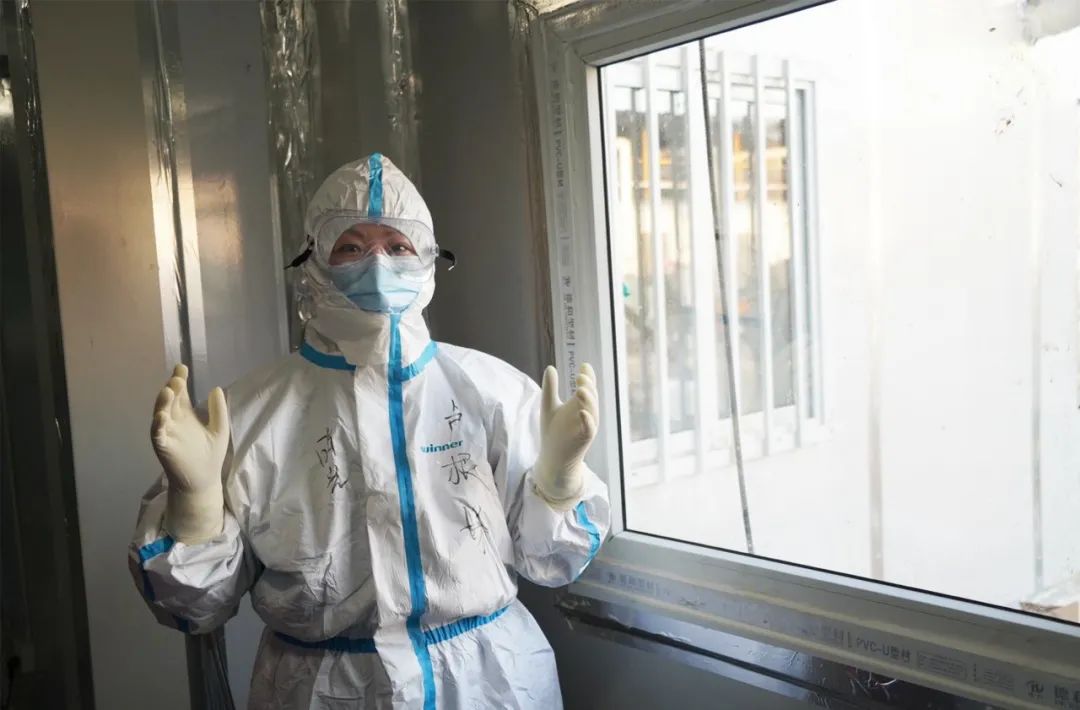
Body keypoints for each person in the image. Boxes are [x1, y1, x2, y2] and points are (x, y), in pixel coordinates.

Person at [129, 153, 610, 709]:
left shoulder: (490, 389)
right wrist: (194, 506)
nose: (377, 264)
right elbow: (194, 607)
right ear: (313, 260)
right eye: (351, 247)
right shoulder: (249, 411)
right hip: (322, 691)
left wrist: (560, 478)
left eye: (398, 246)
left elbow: (551, 561)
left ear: (428, 258)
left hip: (489, 682)